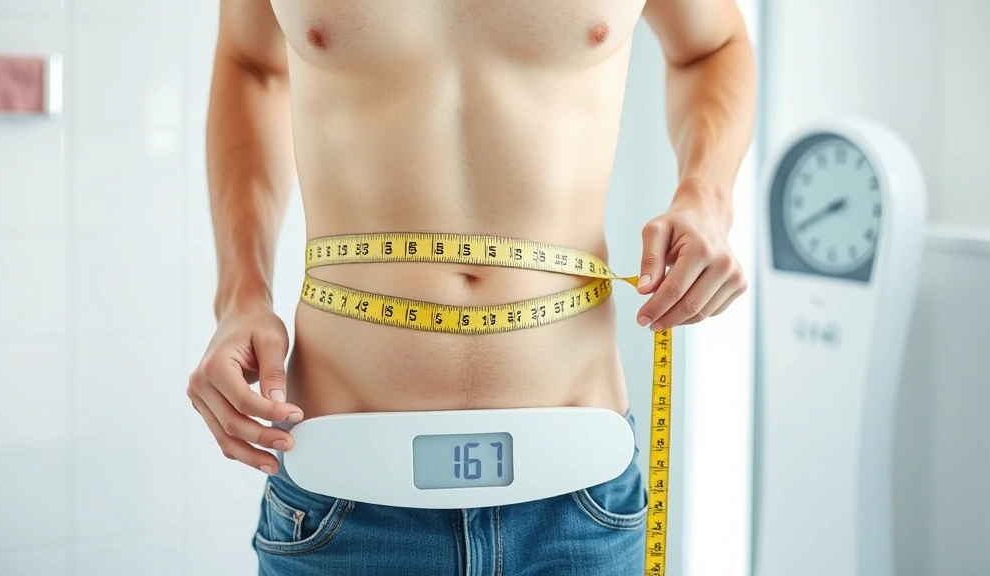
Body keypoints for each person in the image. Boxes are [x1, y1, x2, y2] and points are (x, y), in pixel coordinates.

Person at [187, 0, 754, 573]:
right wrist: (240, 295)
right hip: (345, 494)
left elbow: (713, 45)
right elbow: (251, 63)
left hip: (580, 503)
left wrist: (708, 198)